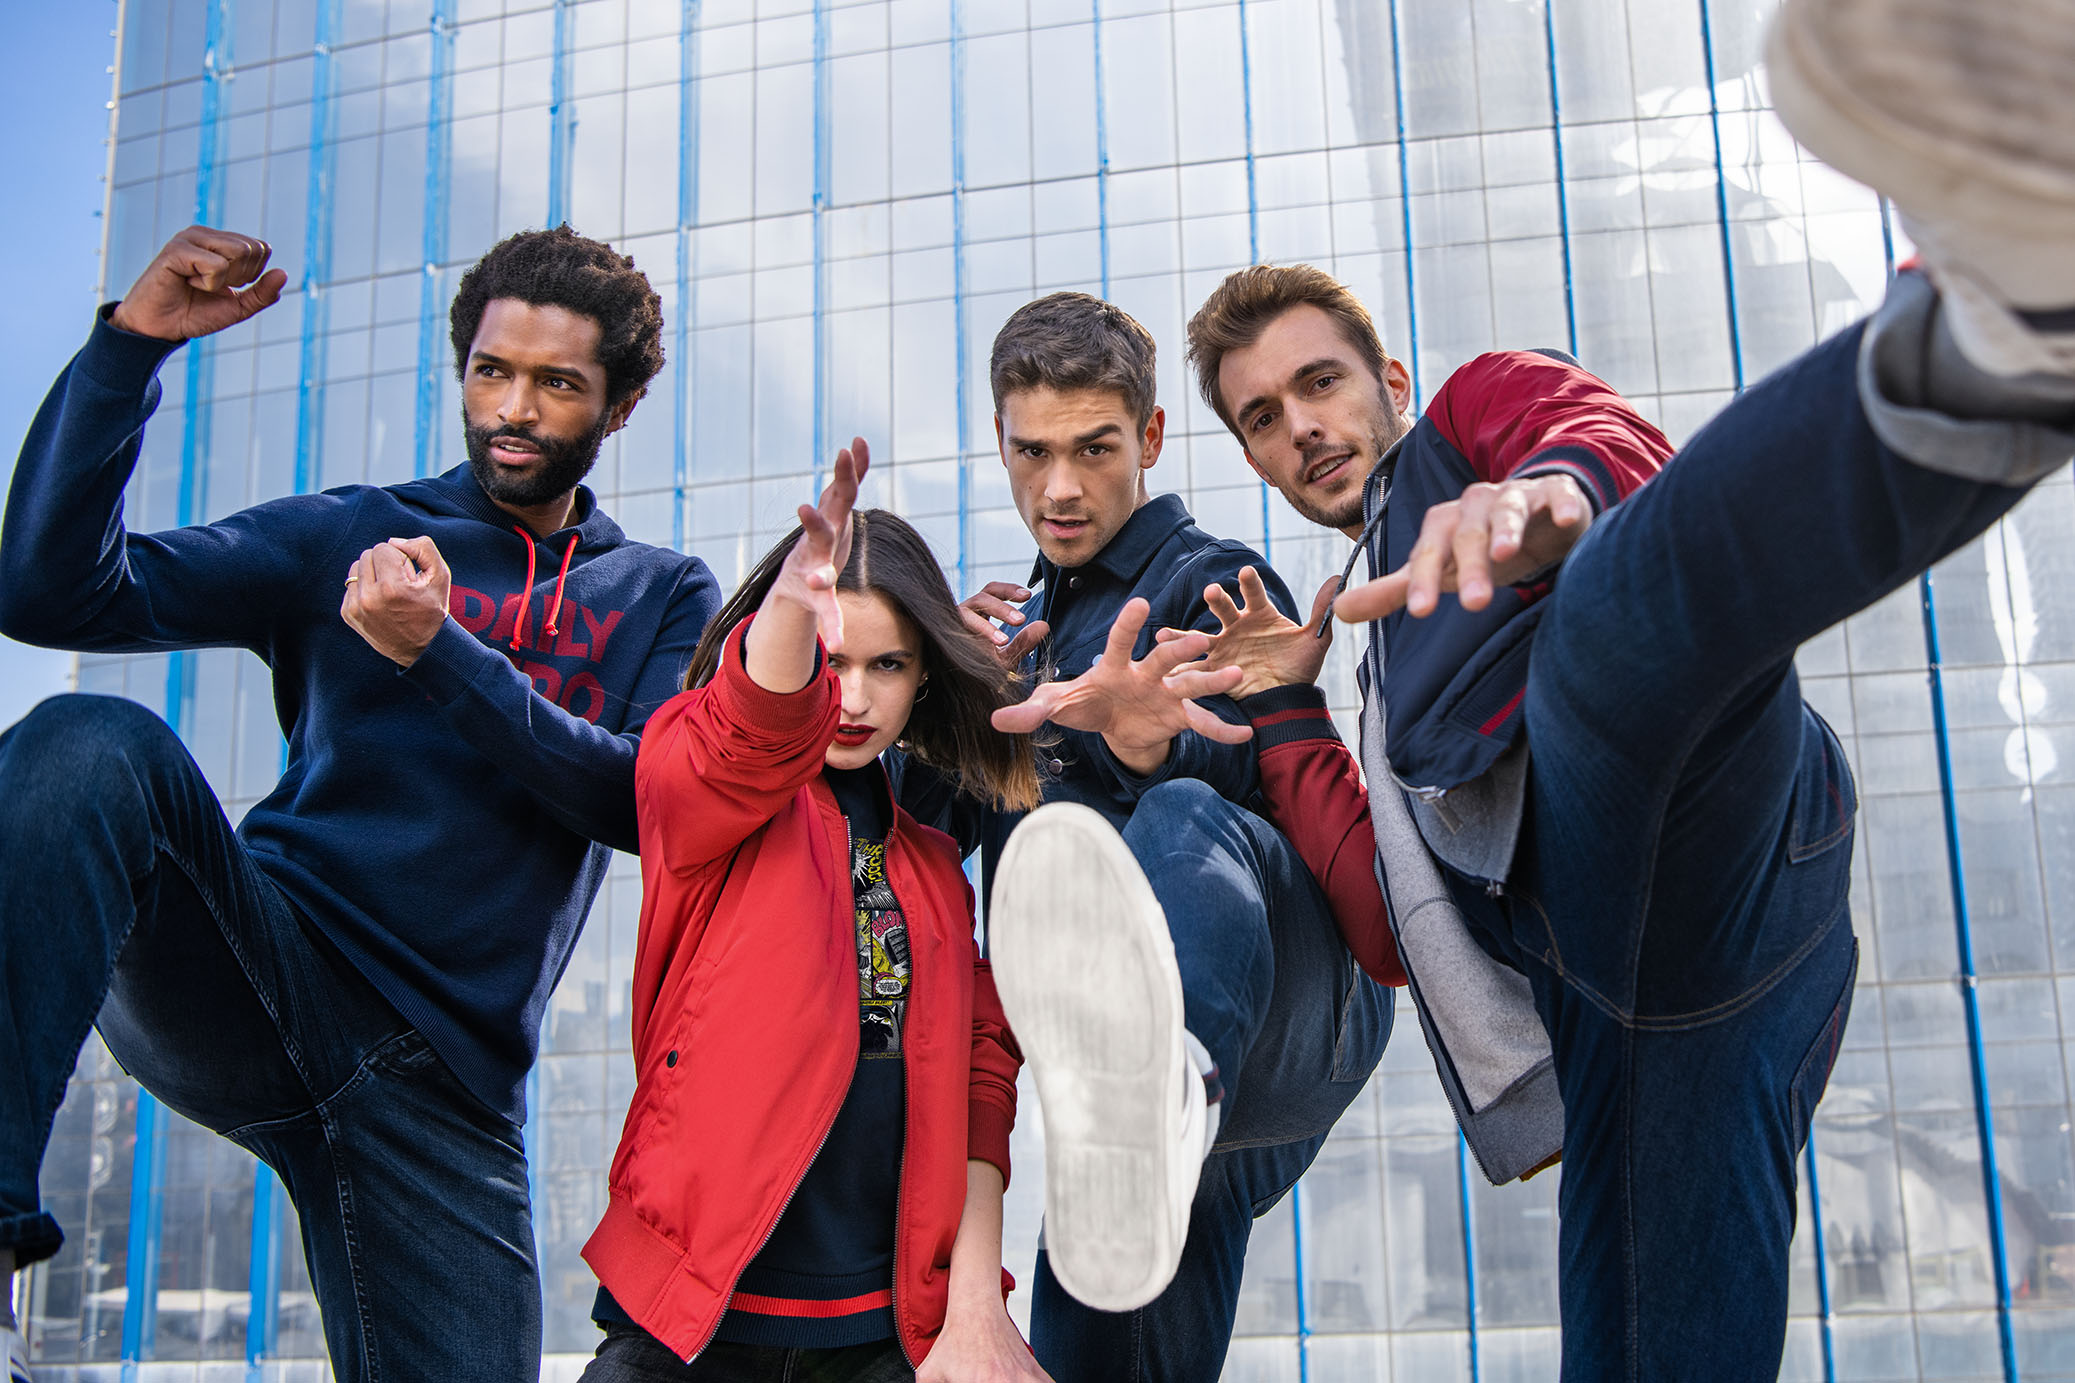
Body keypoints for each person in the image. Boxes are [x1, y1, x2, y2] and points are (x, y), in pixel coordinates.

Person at [1146, 0, 2075, 1374]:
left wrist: (1551, 500)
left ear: (1384, 379)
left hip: (1665, 793)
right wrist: (1288, 704)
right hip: (1622, 994)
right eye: (1263, 420)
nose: (1303, 428)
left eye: (1319, 384)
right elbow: (1394, 934)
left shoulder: (1469, 417)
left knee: (1603, 635)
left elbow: (1591, 432)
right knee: (1638, 1339)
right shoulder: (1368, 660)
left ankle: (1989, 338)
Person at [0, 224, 721, 1383]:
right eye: (491, 372)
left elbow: (645, 806)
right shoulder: (352, 532)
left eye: (555, 384)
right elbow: (49, 594)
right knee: (86, 744)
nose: (512, 410)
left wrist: (440, 653)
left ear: (620, 405)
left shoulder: (662, 593)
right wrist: (128, 349)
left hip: (447, 1087)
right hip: (267, 969)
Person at [938, 292, 1393, 1382]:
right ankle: (1137, 1131)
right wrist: (933, 697)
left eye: (1093, 449)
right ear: (998, 444)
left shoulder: (1209, 578)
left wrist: (1148, 748)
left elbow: (1269, 800)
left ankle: (1160, 1089)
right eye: (1032, 452)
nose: (1059, 487)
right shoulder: (1015, 643)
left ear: (1147, 437)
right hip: (1120, 1094)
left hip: (1286, 1010)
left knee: (1185, 811)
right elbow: (917, 841)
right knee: (1097, 1331)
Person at [577, 439, 1052, 1383]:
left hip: (884, 1331)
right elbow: (744, 736)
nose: (855, 697)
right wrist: (792, 607)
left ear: (923, 677)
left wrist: (974, 1308)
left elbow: (979, 1082)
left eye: (888, 664)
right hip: (693, 1322)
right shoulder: (713, 797)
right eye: (831, 659)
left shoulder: (933, 870)